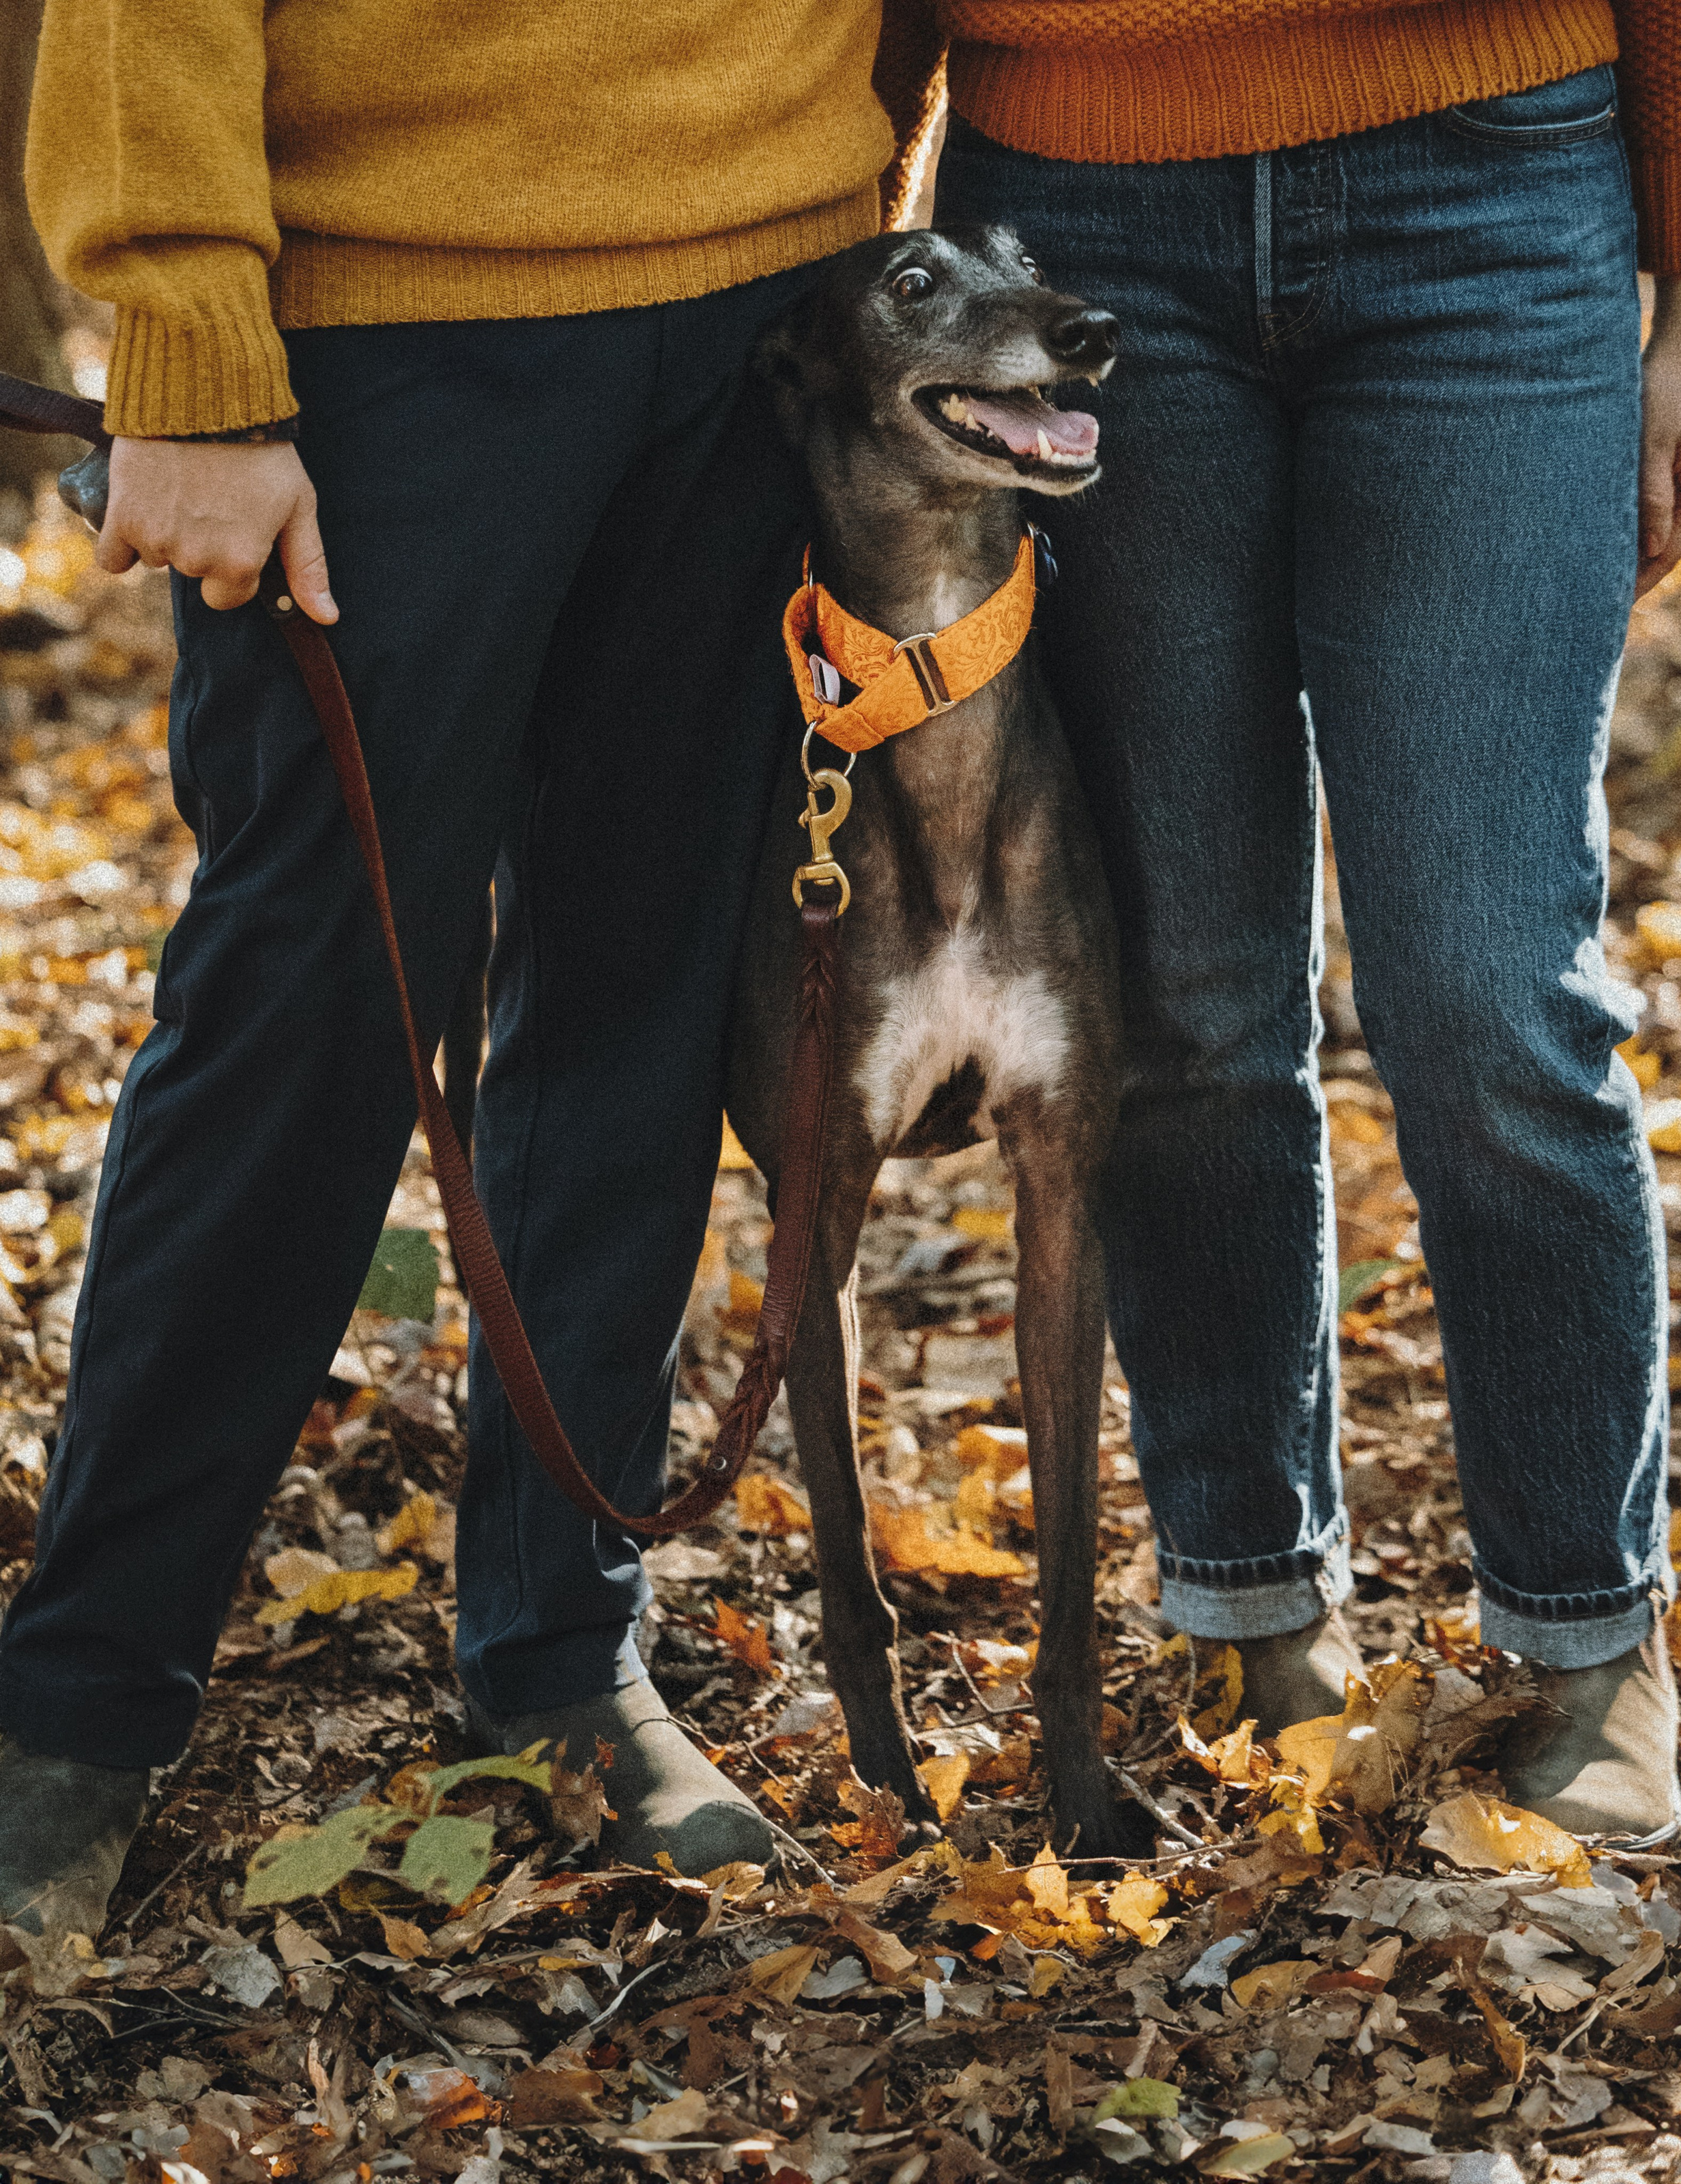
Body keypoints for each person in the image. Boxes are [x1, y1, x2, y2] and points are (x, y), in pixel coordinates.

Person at [0, 1, 944, 1934]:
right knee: (308, 1009)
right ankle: (80, 1706)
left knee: (643, 994)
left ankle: (557, 1652)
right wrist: (189, 344)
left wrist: (879, 194)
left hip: (767, 283)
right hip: (388, 323)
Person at [922, 0, 1681, 1841]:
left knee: (1488, 983)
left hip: (1494, 187)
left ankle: (1590, 1640)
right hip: (1072, 213)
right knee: (1191, 993)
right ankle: (1249, 1600)